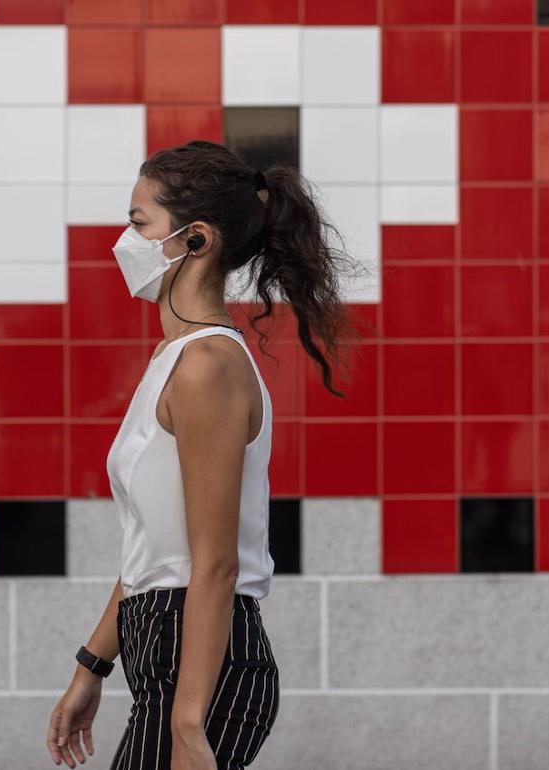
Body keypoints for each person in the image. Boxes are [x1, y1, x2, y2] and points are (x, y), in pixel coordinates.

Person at [46, 140, 366, 769]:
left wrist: (188, 722)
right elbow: (159, 547)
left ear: (195, 240)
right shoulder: (176, 361)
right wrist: (93, 665)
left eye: (139, 223)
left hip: (199, 667)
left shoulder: (208, 367)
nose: (124, 240)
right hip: (166, 648)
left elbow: (214, 565)